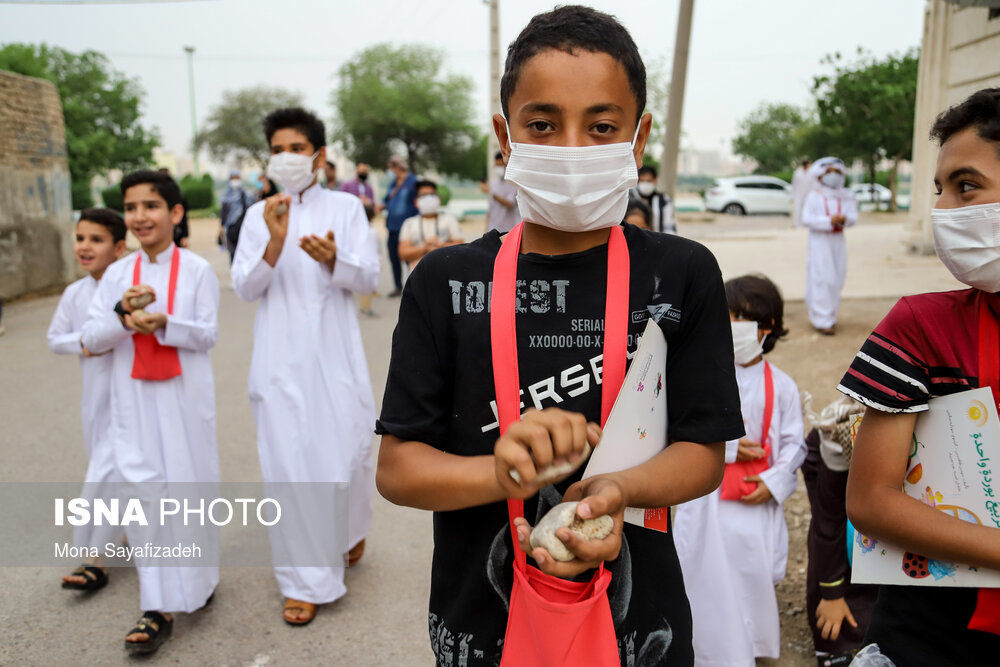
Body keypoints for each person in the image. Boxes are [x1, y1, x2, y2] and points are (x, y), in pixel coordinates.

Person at [375, 6, 743, 664]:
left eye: (601, 126)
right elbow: (399, 469)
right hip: (479, 626)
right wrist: (500, 470)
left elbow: (703, 455)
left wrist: (618, 489)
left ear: (639, 137)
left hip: (642, 629)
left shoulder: (683, 273)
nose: (572, 148)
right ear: (504, 135)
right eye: (542, 125)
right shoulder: (444, 280)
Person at [841, 88, 1000, 664]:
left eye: (967, 187)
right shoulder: (920, 326)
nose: (945, 211)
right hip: (931, 637)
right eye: (940, 190)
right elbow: (871, 498)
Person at [231, 107, 380, 626]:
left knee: (348, 455)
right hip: (279, 364)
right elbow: (245, 287)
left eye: (297, 148)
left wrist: (332, 260)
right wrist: (275, 242)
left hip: (334, 358)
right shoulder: (257, 215)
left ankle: (346, 531)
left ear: (318, 154)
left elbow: (368, 279)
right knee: (290, 468)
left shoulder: (345, 208)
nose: (287, 157)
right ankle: (304, 580)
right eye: (278, 149)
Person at [81, 170, 220, 655]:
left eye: (151, 206)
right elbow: (90, 341)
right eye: (132, 207)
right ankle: (158, 605)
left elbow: (206, 335)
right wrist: (123, 315)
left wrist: (165, 323)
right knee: (146, 496)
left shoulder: (198, 270)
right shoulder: (117, 274)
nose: (140, 216)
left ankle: (199, 581)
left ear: (176, 214)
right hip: (134, 405)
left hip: (184, 401)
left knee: (190, 489)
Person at [674, 273, 806, 666]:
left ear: (766, 328)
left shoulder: (782, 386)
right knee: (703, 575)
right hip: (707, 500)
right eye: (726, 316)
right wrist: (729, 448)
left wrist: (774, 480)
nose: (731, 327)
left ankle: (749, 649)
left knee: (753, 576)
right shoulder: (704, 377)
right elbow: (685, 429)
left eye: (740, 318)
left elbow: (794, 444)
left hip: (753, 499)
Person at [48, 207, 128, 592]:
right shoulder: (74, 294)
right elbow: (55, 338)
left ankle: (93, 557)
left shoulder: (129, 286)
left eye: (96, 240)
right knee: (109, 467)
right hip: (96, 399)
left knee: (104, 473)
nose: (85, 247)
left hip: (134, 395)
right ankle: (127, 536)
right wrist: (83, 344)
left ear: (120, 247)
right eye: (80, 238)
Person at [801, 427, 877, 666]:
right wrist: (831, 594)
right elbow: (827, 525)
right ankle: (833, 644)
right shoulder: (838, 437)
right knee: (842, 544)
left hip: (884, 476)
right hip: (835, 471)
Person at [801, 157, 857, 335]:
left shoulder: (847, 196)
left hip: (838, 242)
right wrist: (828, 220)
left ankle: (830, 316)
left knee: (836, 279)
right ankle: (822, 320)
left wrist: (844, 220)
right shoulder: (814, 196)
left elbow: (853, 218)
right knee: (822, 279)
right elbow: (806, 219)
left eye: (837, 172)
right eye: (829, 173)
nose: (833, 176)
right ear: (820, 176)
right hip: (820, 243)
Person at [397, 179, 463, 270]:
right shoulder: (409, 223)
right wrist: (425, 247)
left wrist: (440, 245)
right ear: (416, 202)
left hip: (447, 275)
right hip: (417, 276)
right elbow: (403, 253)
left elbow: (461, 247)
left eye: (432, 195)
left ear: (438, 199)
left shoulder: (449, 220)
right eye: (424, 195)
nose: (428, 198)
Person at [340, 163, 379, 317]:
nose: (364, 173)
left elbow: (373, 203)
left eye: (366, 171)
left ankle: (366, 302)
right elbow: (342, 203)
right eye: (362, 170)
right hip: (350, 227)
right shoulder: (347, 186)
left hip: (366, 224)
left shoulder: (369, 188)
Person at [378, 155, 418, 296]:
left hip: (407, 228)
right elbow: (386, 200)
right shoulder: (393, 184)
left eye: (391, 168)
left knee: (409, 258)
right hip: (392, 227)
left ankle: (414, 287)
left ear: (398, 167)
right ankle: (397, 286)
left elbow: (416, 202)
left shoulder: (413, 182)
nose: (390, 171)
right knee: (394, 258)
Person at [480, 151, 520, 233]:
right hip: (492, 229)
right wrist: (486, 228)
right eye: (496, 165)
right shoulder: (493, 184)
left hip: (507, 230)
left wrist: (491, 193)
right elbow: (490, 209)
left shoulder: (513, 184)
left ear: (506, 165)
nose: (498, 168)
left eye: (500, 165)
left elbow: (510, 204)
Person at [630, 165, 676, 233]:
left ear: (655, 180)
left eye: (648, 181)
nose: (645, 184)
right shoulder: (630, 198)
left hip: (658, 239)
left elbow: (669, 226)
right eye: (642, 181)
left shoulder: (663, 200)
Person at [219, 171, 252, 261]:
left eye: (237, 178)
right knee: (232, 253)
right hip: (231, 229)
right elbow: (223, 212)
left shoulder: (246, 194)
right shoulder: (226, 195)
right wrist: (222, 226)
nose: (235, 180)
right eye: (233, 178)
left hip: (243, 227)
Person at [792, 158, 813, 225]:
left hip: (808, 194)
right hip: (799, 194)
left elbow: (813, 184)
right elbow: (794, 185)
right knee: (798, 210)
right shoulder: (798, 172)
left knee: (807, 210)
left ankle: (806, 224)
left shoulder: (811, 172)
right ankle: (797, 225)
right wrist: (792, 196)